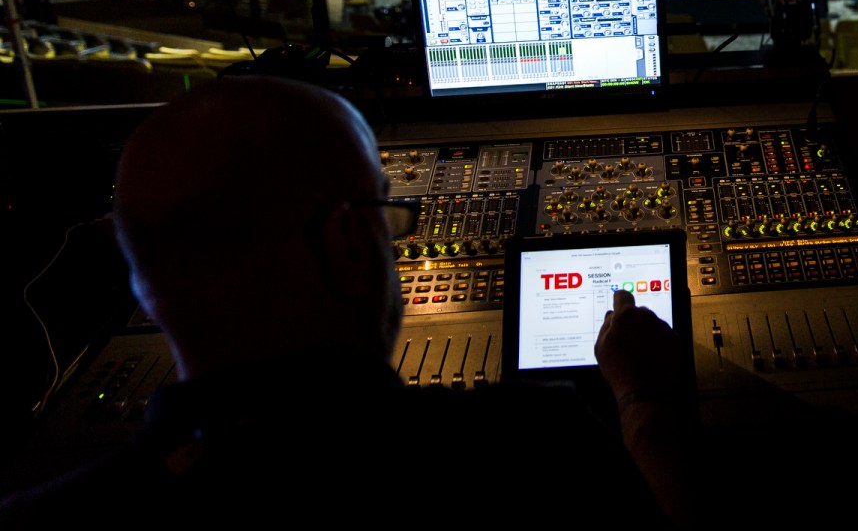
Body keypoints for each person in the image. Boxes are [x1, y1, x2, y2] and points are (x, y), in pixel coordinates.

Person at [0, 77, 698, 528]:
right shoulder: (536, 443)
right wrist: (643, 401)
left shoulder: (33, 525)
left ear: (141, 288)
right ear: (347, 245)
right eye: (383, 215)